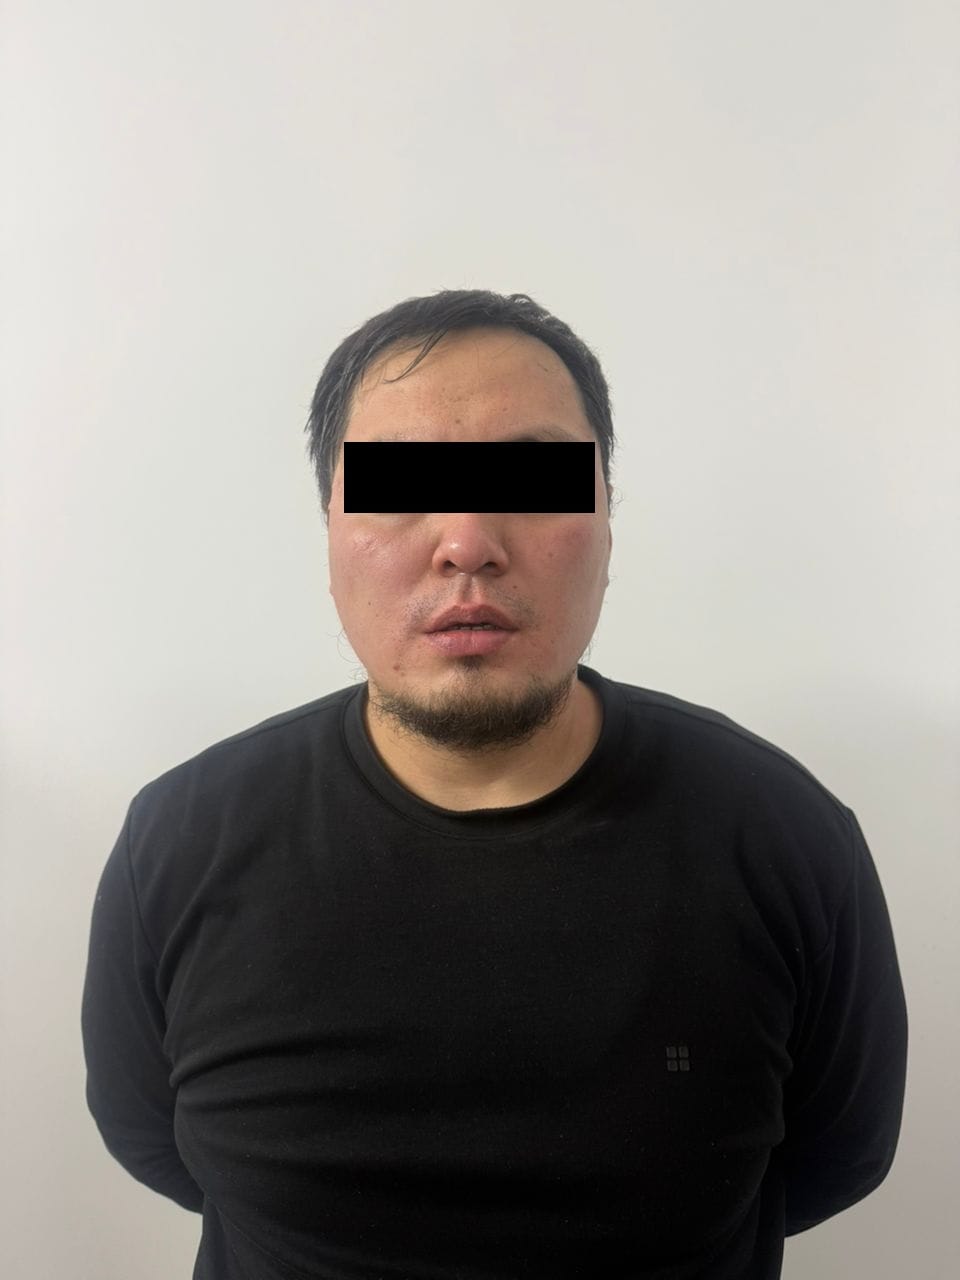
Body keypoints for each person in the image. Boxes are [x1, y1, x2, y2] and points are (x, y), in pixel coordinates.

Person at [81, 289, 908, 1279]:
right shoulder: (179, 842)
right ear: (330, 531)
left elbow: (836, 1157)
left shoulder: (783, 836)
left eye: (532, 479)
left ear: (607, 522)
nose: (468, 540)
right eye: (401, 485)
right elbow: (154, 1139)